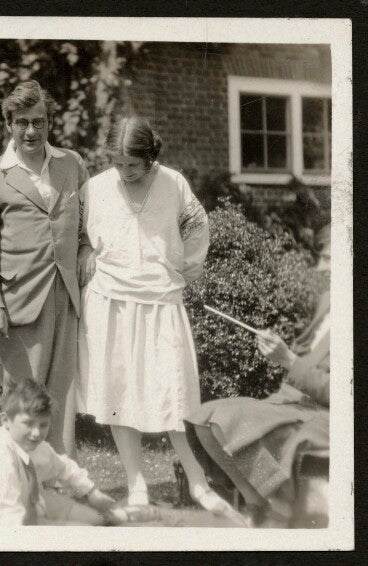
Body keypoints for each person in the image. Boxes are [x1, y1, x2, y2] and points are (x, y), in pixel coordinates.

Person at [76, 115, 238, 518]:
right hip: (110, 301)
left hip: (161, 302)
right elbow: (77, 232)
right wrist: (85, 250)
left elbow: (198, 226)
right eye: (117, 163)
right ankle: (136, 483)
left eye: (133, 164)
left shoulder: (173, 184)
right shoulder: (94, 189)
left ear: (151, 158)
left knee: (173, 390)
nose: (125, 171)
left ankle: (198, 480)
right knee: (118, 391)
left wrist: (183, 271)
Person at [0, 80, 89, 457]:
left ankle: (59, 477)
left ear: (51, 121)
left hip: (66, 295)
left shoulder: (72, 163)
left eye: (39, 121)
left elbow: (86, 224)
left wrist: (85, 249)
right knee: (23, 394)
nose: (31, 131)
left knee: (62, 393)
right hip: (18, 302)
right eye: (22, 122)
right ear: (9, 125)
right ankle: (18, 475)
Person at [186, 226, 331, 528]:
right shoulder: (331, 300)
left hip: (326, 413)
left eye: (331, 261)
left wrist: (288, 360)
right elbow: (308, 356)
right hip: (292, 400)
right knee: (206, 418)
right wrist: (283, 353)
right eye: (324, 259)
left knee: (280, 436)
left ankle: (276, 512)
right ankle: (255, 499)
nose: (322, 269)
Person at [0, 379, 130, 526]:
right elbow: (9, 511)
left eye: (43, 425)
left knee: (96, 518)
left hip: (34, 501)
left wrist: (91, 492)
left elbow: (63, 467)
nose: (36, 433)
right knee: (80, 530)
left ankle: (119, 517)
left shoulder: (37, 445)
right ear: (5, 421)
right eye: (28, 423)